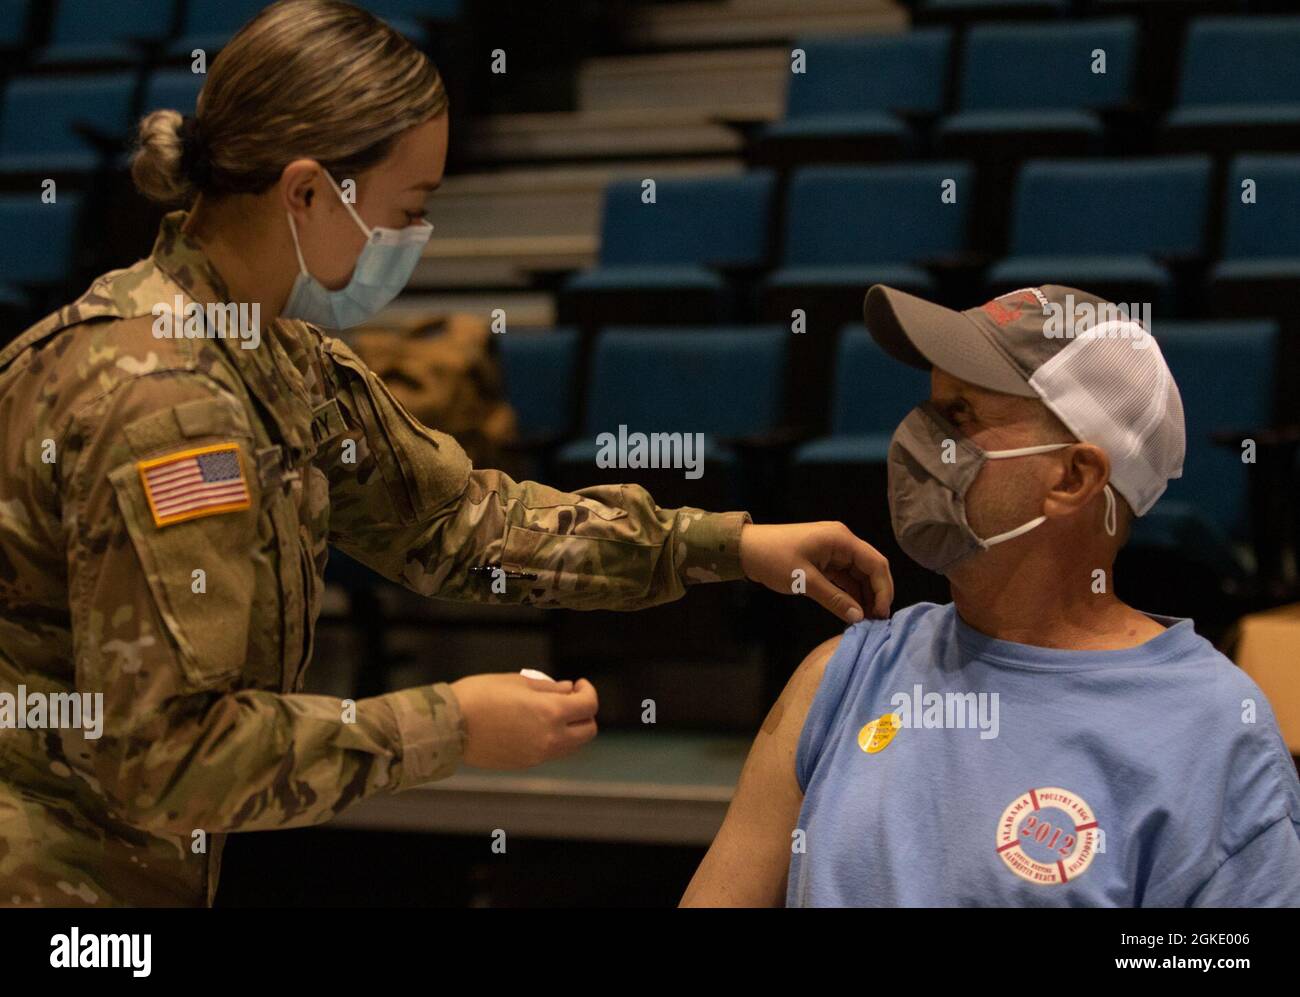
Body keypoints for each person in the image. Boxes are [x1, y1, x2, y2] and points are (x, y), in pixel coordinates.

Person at [0, 0, 892, 907]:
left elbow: (458, 524)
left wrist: (723, 545)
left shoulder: (273, 352)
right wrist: (452, 725)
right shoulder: (166, 399)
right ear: (306, 192)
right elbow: (167, 759)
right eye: (408, 209)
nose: (414, 241)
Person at [682, 284, 1300, 907]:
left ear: (1074, 477)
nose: (914, 441)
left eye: (959, 418)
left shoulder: (1215, 737)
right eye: (927, 411)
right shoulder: (841, 677)